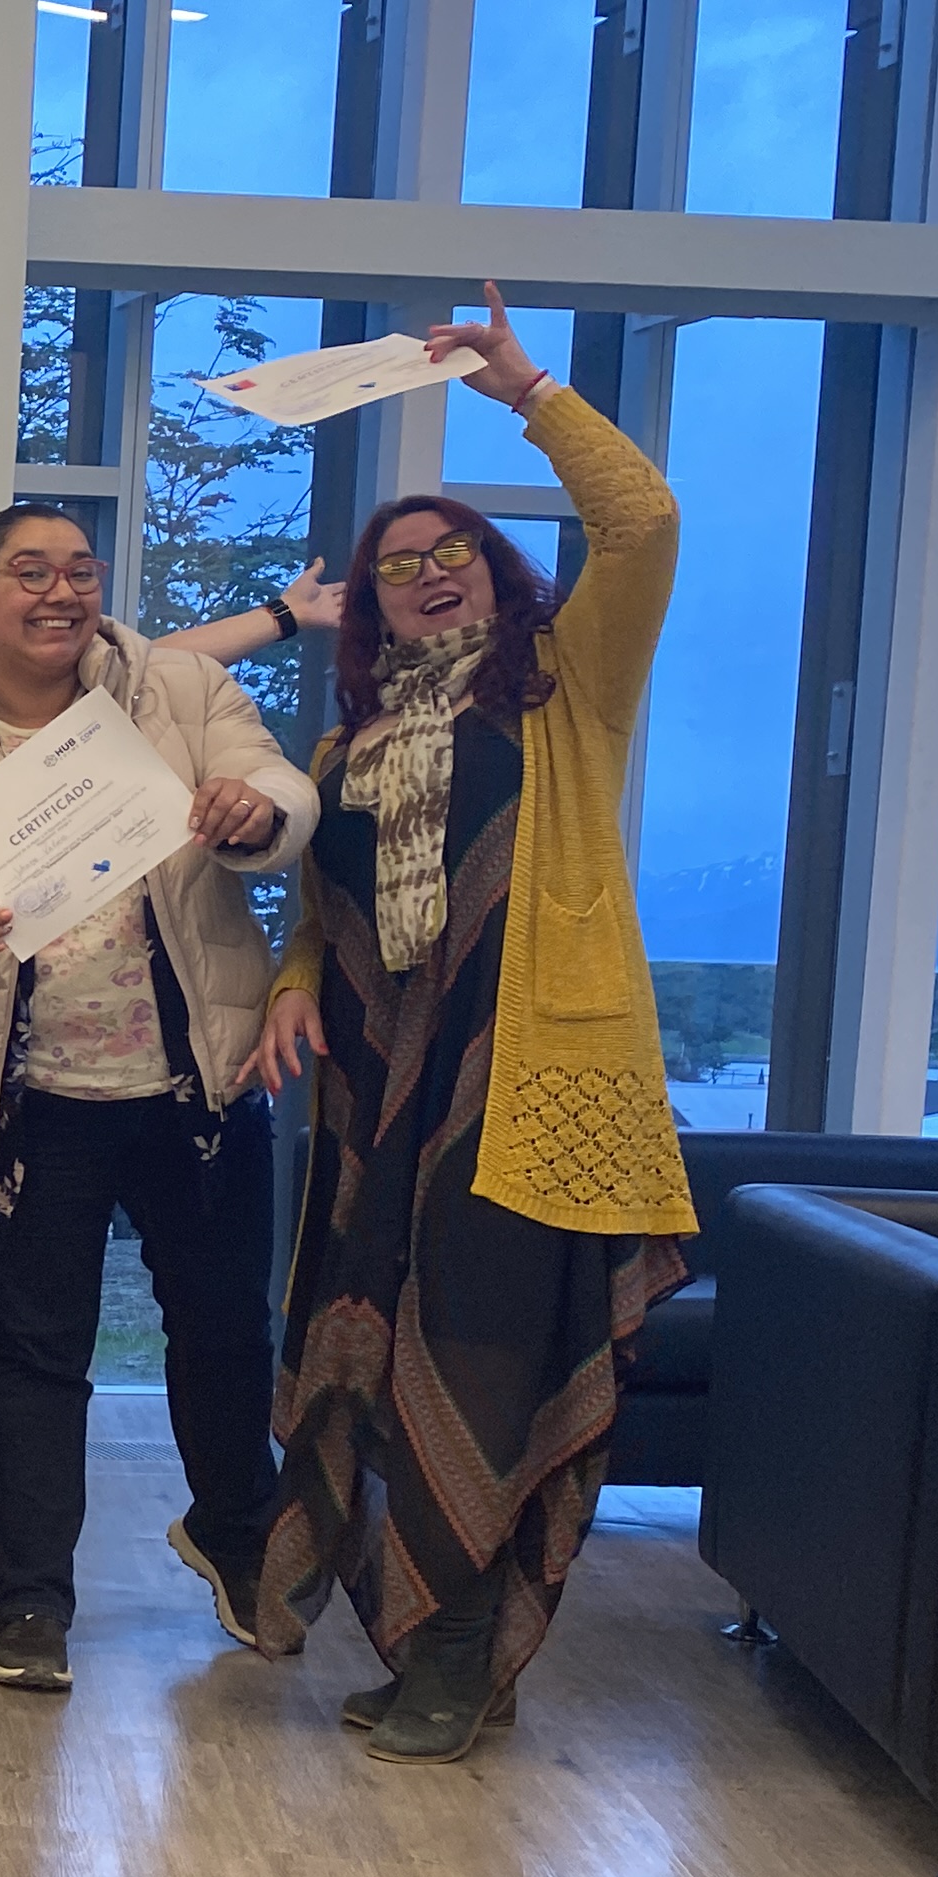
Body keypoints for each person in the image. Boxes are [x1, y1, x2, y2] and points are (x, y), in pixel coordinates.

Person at [246, 291, 691, 1762]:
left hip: (521, 1080)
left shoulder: (567, 693)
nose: (428, 579)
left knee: (483, 1358)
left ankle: (457, 1656)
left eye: (453, 558)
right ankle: (426, 1643)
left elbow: (642, 525)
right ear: (370, 609)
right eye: (397, 569)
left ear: (497, 579)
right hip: (379, 1090)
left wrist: (527, 390)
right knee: (377, 1358)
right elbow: (324, 906)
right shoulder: (349, 743)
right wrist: (295, 980)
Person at [0, 498, 318, 1694]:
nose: (60, 592)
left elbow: (279, 782)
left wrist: (262, 813)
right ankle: (32, 1594)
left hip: (193, 1082)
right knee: (32, 1354)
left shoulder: (177, 690)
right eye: (29, 572)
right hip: (21, 1101)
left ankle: (236, 1534)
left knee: (224, 1329)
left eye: (79, 570)